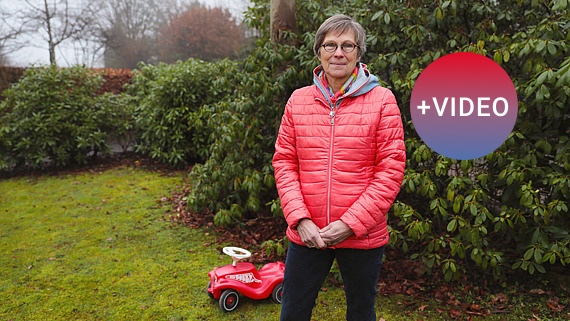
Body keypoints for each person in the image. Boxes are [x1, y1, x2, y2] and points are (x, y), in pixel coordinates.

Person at [272, 14, 406, 321]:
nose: (339, 52)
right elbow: (284, 163)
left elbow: (390, 170)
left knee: (361, 312)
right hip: (308, 233)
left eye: (348, 45)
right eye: (330, 44)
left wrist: (349, 224)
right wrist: (299, 219)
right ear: (318, 51)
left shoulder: (382, 101)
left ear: (359, 53)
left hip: (362, 235)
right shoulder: (297, 101)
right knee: (292, 312)